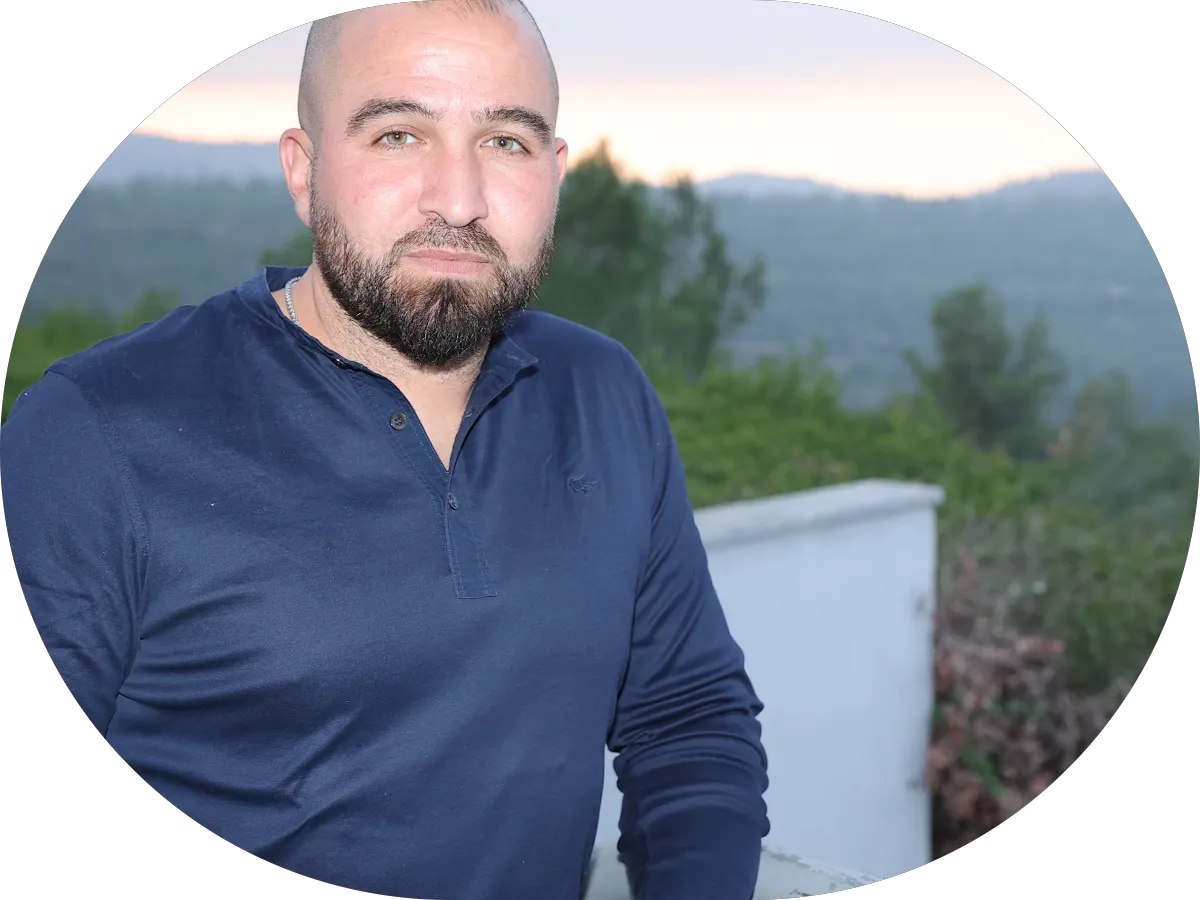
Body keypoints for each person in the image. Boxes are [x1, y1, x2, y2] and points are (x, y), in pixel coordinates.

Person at [1, 1, 770, 897]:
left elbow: (687, 719)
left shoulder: (603, 392)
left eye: (507, 142)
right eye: (399, 135)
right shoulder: (94, 434)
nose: (460, 199)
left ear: (556, 172)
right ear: (305, 171)